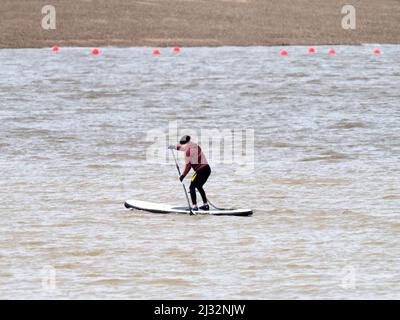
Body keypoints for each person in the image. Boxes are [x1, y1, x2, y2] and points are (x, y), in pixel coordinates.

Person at [169, 135, 211, 211]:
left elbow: (188, 166)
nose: (182, 146)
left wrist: (183, 176)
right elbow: (182, 148)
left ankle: (194, 207)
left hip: (200, 171)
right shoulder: (195, 146)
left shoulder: (188, 151)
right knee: (199, 186)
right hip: (207, 169)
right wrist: (174, 147)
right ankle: (206, 205)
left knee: (191, 187)